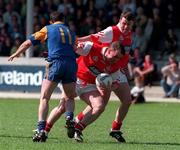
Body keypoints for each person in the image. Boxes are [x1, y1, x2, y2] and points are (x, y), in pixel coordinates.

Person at [8, 11, 77, 142]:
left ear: (51, 21)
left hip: (56, 63)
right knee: (70, 97)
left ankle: (41, 130)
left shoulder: (48, 28)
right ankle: (69, 117)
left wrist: (17, 53)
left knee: (45, 97)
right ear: (63, 21)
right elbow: (74, 48)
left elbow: (28, 43)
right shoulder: (70, 32)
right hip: (71, 64)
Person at [45, 41, 131, 142]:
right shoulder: (91, 47)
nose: (116, 60)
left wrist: (110, 87)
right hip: (74, 80)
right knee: (63, 107)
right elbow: (71, 46)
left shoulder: (115, 66)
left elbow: (113, 84)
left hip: (89, 86)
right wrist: (55, 55)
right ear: (109, 50)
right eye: (115, 56)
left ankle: (77, 129)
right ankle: (44, 131)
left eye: (119, 58)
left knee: (99, 106)